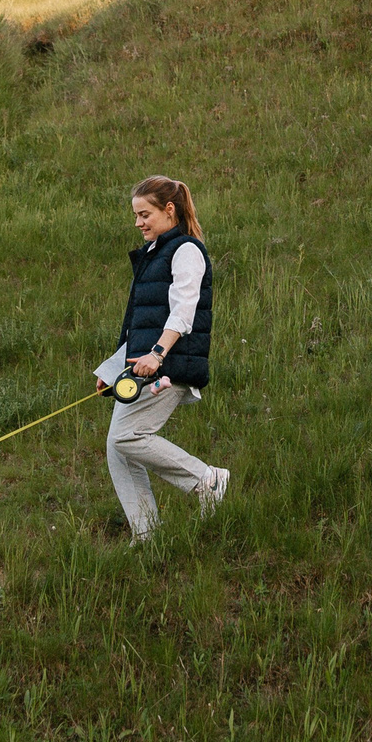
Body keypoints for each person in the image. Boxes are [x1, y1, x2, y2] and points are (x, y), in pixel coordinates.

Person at [99, 175, 230, 542]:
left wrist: (158, 354)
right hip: (142, 367)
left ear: (169, 209)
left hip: (169, 364)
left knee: (128, 436)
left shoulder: (186, 250)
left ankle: (206, 479)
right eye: (136, 216)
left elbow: (183, 310)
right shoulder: (154, 254)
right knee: (118, 449)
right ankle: (147, 535)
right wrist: (113, 369)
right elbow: (139, 323)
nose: (138, 223)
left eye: (145, 215)